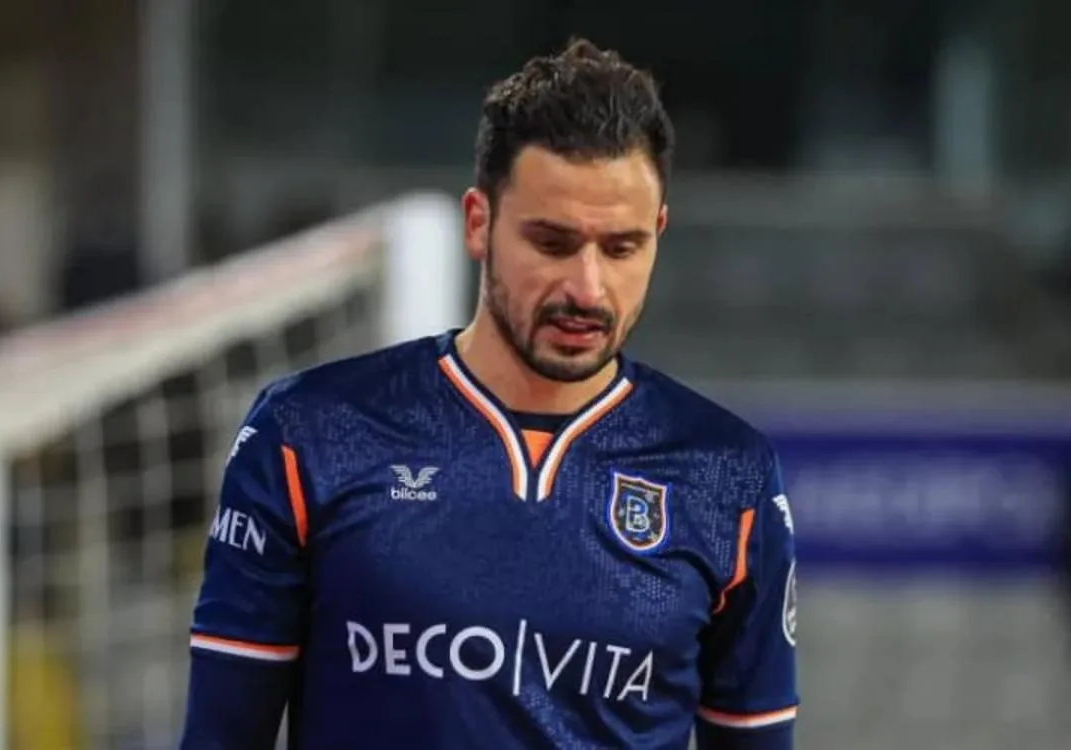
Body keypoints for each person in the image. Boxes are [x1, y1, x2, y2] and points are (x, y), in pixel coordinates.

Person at [180, 38, 798, 750]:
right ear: (479, 223)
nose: (587, 288)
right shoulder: (308, 436)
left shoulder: (728, 476)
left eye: (621, 248)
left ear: (658, 233)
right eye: (552, 243)